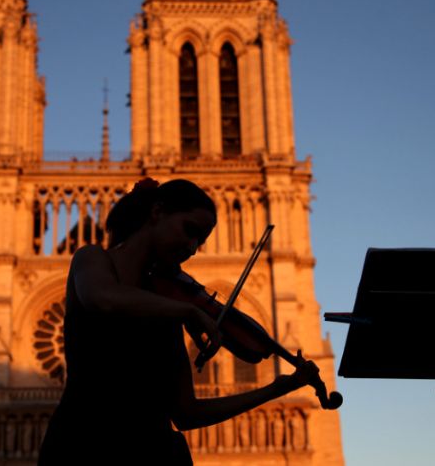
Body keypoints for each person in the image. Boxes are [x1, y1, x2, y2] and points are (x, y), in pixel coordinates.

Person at [37, 178, 321, 465]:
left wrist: (277, 389)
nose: (193, 247)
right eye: (190, 230)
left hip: (153, 451)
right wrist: (189, 312)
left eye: (200, 240)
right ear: (157, 212)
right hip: (82, 446)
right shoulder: (93, 260)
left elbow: (186, 413)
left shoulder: (166, 306)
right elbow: (103, 298)